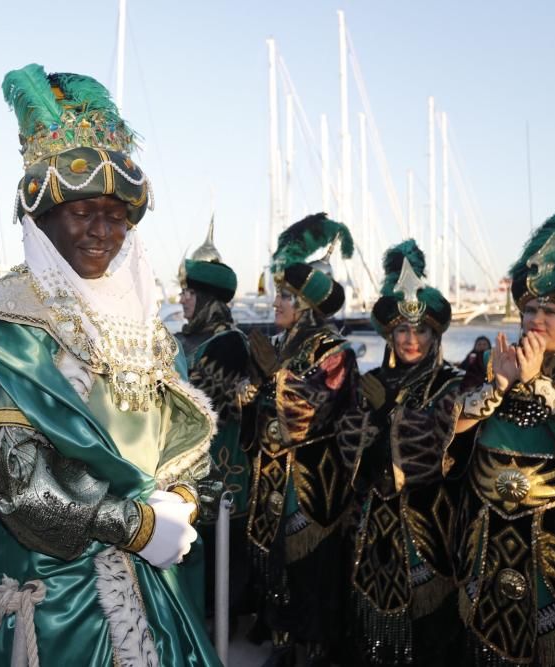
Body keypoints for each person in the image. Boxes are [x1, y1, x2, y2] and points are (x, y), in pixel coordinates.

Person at [0, 64, 220, 666]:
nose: (102, 231)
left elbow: (187, 445)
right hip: (53, 593)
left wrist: (182, 502)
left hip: (151, 582)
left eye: (117, 216)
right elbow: (16, 485)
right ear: (43, 217)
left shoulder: (146, 329)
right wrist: (136, 525)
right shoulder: (1, 329)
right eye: (83, 211)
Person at [454, 202, 555, 667]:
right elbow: (442, 432)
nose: (537, 319)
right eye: (530, 308)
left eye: (553, 310)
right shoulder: (493, 364)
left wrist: (539, 385)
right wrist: (494, 389)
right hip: (487, 538)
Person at [335, 240, 464, 666]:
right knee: (369, 620)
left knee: (428, 629)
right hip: (373, 523)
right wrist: (367, 419)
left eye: (421, 330)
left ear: (435, 334)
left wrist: (388, 414)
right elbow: (348, 449)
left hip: (428, 523)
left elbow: (436, 453)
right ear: (390, 335)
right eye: (402, 331)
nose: (411, 339)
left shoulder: (451, 383)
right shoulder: (373, 379)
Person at [245, 213, 358, 666]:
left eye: (285, 296)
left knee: (311, 569)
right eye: (277, 294)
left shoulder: (335, 350)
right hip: (273, 474)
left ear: (308, 306)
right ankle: (281, 636)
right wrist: (248, 393)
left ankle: (313, 646)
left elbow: (311, 408)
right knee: (276, 563)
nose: (276, 303)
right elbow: (257, 403)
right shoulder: (284, 343)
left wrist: (271, 380)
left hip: (311, 482)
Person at [176, 219, 255, 624]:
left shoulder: (229, 342)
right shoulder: (182, 337)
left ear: (207, 297)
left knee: (221, 552)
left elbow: (198, 400)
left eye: (188, 293)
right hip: (183, 469)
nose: (182, 300)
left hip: (221, 472)